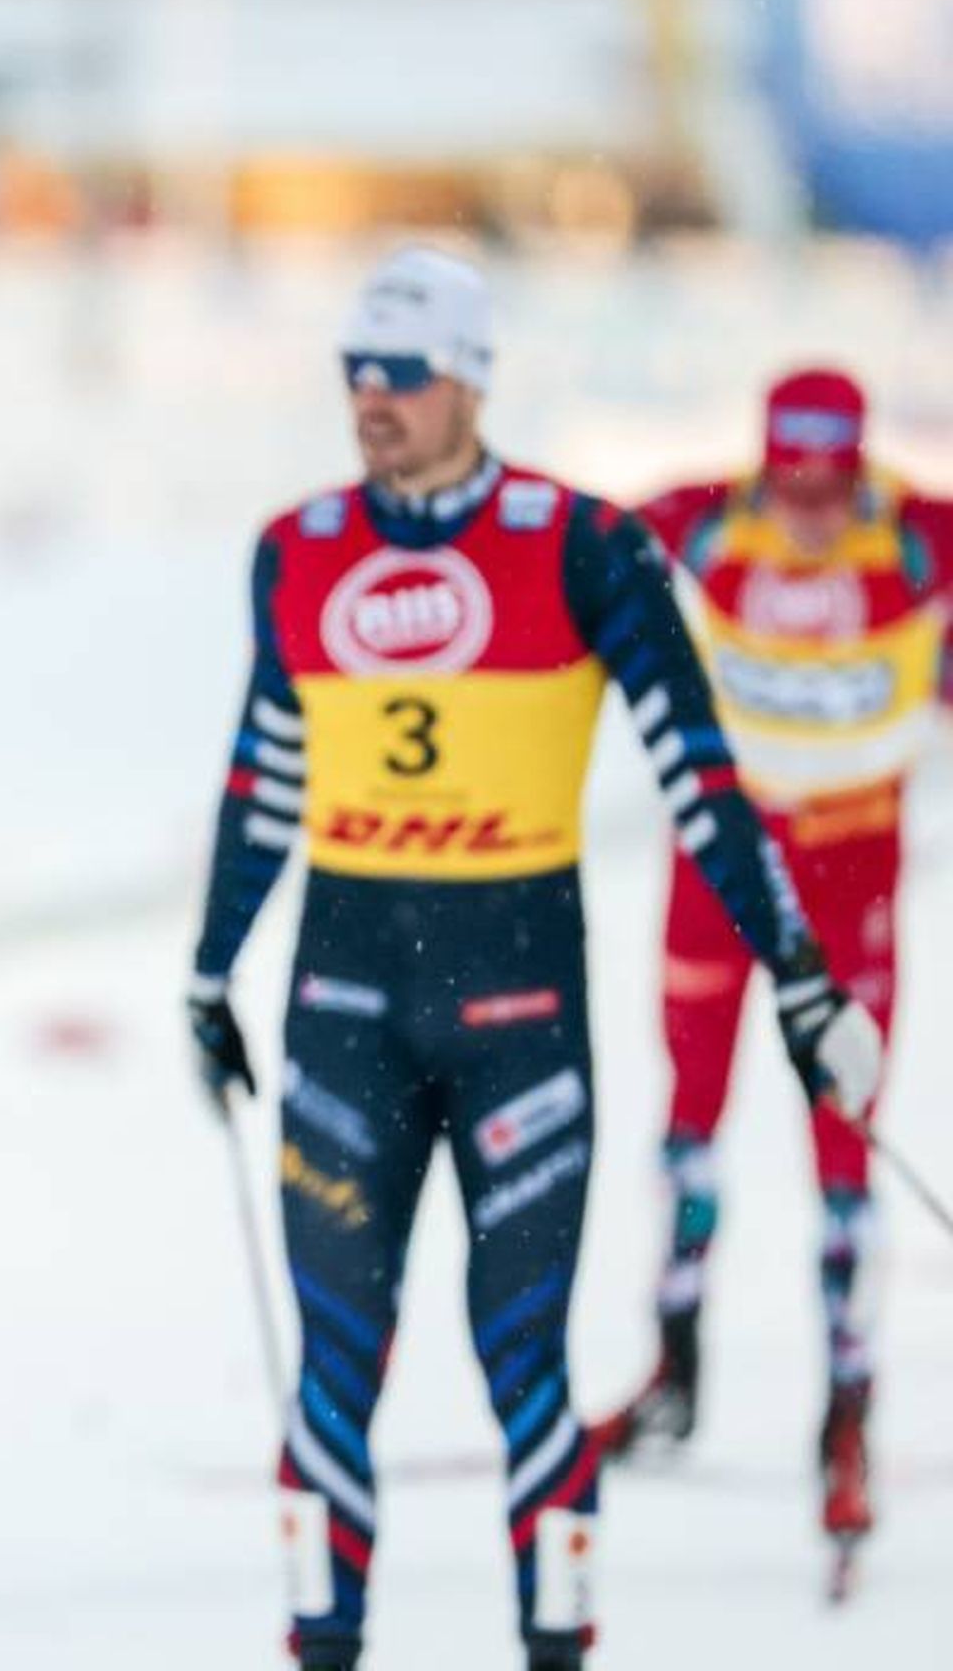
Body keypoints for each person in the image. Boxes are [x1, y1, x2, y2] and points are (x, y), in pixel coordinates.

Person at [183, 251, 882, 1671]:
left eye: (406, 374)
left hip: (519, 1022)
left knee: (525, 1373)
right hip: (344, 1020)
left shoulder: (582, 545)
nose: (374, 400)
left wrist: (800, 978)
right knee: (332, 1376)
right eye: (356, 373)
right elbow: (265, 776)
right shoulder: (298, 547)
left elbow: (700, 774)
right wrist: (210, 977)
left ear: (474, 377)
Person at [600, 367, 952, 1554]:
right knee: (689, 1120)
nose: (807, 509)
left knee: (845, 1144)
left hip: (852, 881)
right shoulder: (704, 520)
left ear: (860, 469)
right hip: (724, 869)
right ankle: (674, 1363)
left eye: (830, 484)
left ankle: (848, 1409)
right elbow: (572, 557)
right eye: (790, 481)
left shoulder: (921, 541)